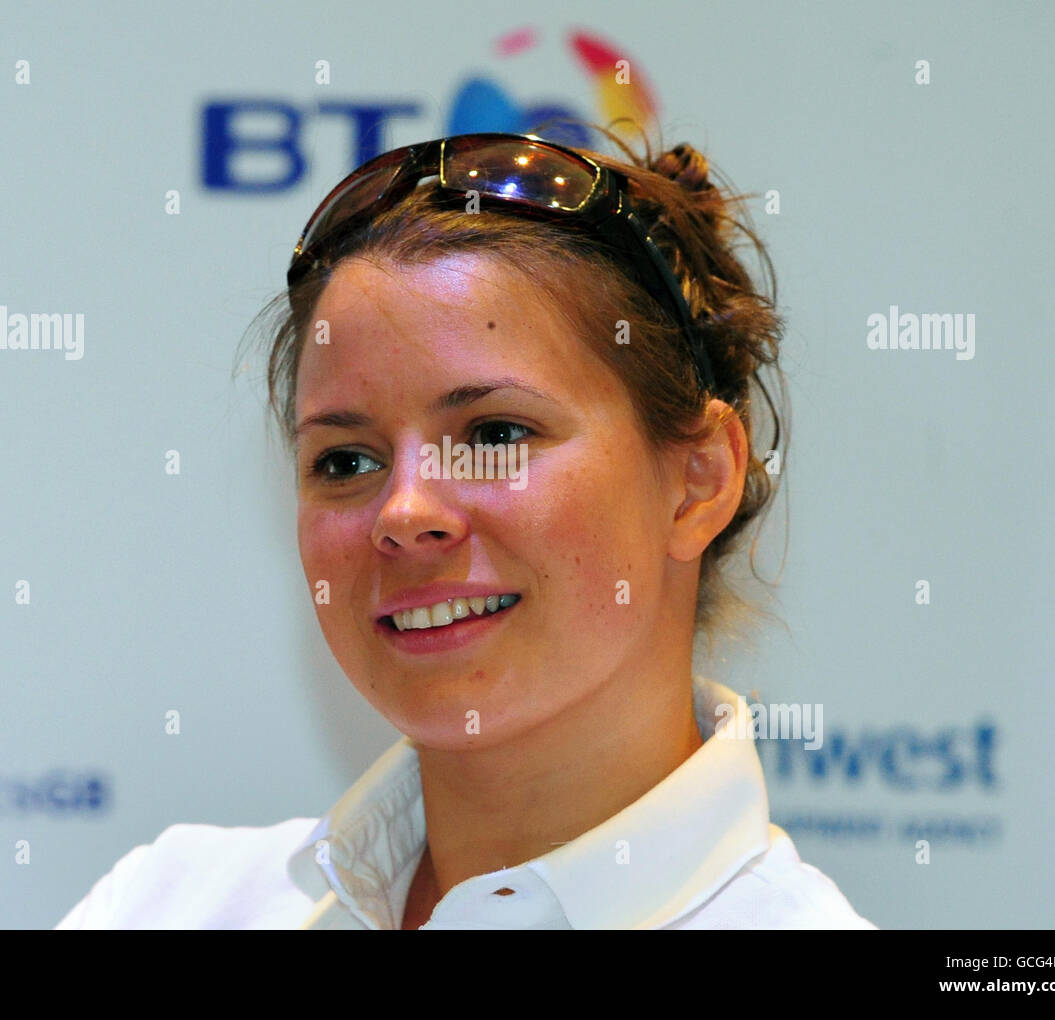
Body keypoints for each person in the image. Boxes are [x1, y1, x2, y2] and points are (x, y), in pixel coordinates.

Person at [55, 123, 877, 930]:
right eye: (346, 461)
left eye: (495, 436)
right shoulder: (169, 904)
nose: (405, 512)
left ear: (699, 482)